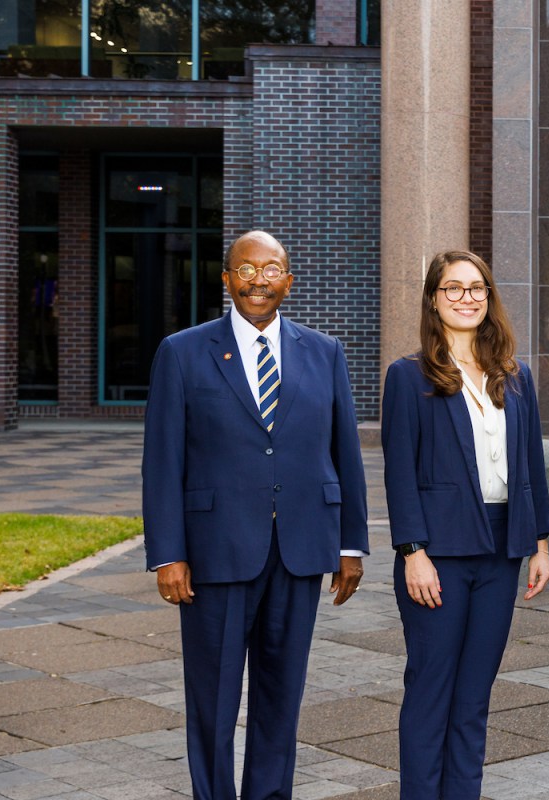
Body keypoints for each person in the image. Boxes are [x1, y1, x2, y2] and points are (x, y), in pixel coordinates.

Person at [142, 230, 369, 800]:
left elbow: (344, 452)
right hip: (215, 553)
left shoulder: (325, 352)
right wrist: (168, 553)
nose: (258, 279)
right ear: (226, 280)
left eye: (271, 270)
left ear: (288, 282)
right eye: (246, 269)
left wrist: (351, 544)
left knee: (281, 697)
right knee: (213, 703)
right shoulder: (182, 352)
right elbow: (162, 462)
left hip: (300, 550)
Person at [381, 250, 549, 799]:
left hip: (500, 551)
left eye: (476, 288)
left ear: (489, 298)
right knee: (432, 690)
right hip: (438, 554)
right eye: (453, 289)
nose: (466, 298)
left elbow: (531, 466)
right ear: (434, 299)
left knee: (474, 696)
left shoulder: (515, 376)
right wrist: (413, 552)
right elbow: (399, 473)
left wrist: (541, 545)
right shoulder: (409, 377)